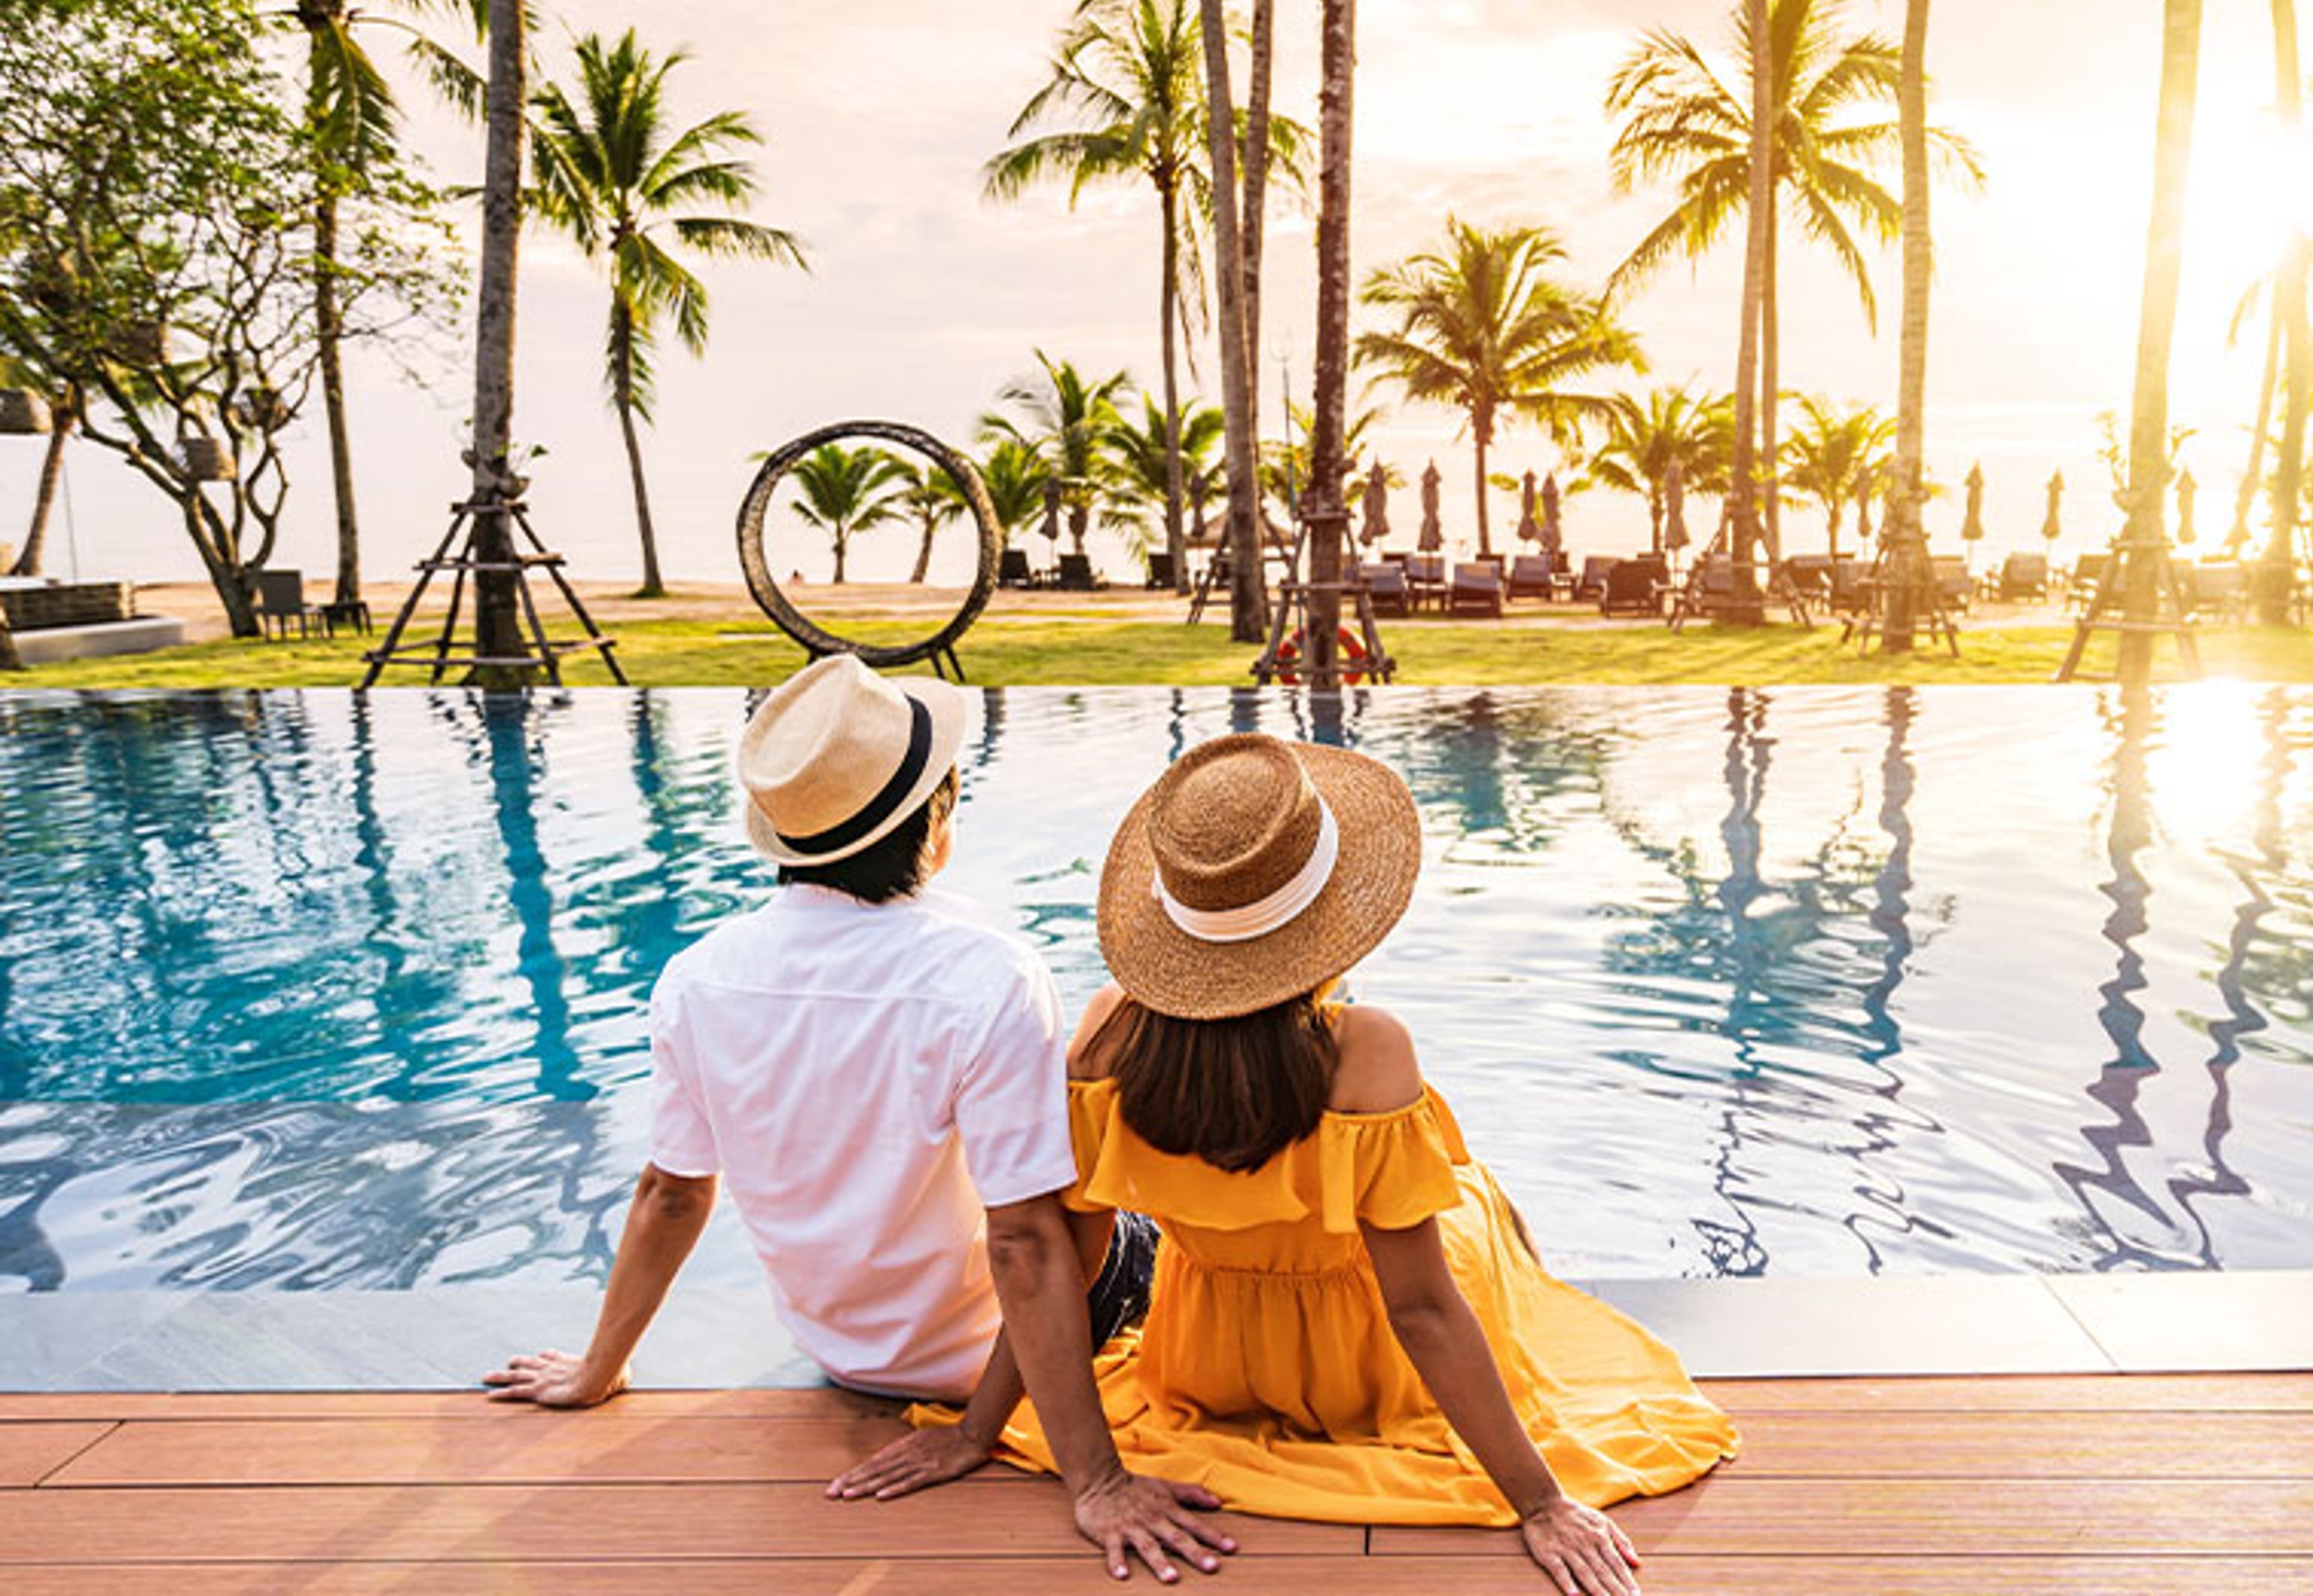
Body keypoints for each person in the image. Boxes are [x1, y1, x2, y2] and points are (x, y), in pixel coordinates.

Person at [832, 734, 1736, 1596]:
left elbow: (1054, 1262)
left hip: (1203, 1367)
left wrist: (986, 1434)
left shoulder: (1107, 1035)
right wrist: (1541, 1501)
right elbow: (1420, 1310)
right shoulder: (1366, 1050)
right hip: (1372, 1376)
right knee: (1472, 1195)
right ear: (1330, 913)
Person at [484, 656, 1233, 1583]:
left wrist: (599, 1369)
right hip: (988, 1357)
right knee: (1145, 1201)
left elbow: (671, 1192)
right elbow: (1031, 1245)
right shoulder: (985, 974)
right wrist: (1093, 1477)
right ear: (941, 813)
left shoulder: (697, 978)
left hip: (846, 1355)